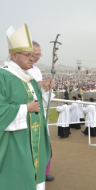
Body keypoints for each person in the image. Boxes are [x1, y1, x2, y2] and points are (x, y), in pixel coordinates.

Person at [0, 24, 51, 189]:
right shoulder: (0, 77)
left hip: (30, 142)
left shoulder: (29, 78)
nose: (32, 59)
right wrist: (24, 109)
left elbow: (37, 104)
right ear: (14, 56)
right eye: (28, 55)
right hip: (9, 144)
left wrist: (43, 91)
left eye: (33, 56)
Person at [28, 40, 55, 182]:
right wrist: (36, 87)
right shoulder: (15, 71)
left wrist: (45, 89)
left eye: (39, 55)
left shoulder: (37, 71)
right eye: (34, 54)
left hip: (39, 115)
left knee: (44, 146)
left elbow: (40, 96)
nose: (37, 57)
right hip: (27, 116)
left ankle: (42, 173)